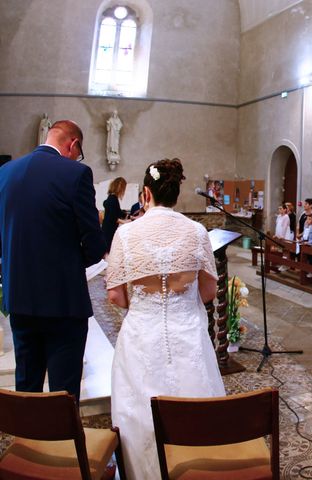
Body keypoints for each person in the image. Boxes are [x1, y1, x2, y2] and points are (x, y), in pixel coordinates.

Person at [107, 159, 224, 479]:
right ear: (175, 193)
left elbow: (115, 295)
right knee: (195, 402)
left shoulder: (126, 234)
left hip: (141, 335)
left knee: (140, 413)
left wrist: (146, 304)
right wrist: (181, 303)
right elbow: (209, 290)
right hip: (188, 332)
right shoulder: (197, 231)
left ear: (146, 193)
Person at [0, 120, 106, 402]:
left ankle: (28, 442)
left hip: (19, 298)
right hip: (63, 302)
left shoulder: (5, 173)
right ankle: (62, 445)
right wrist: (69, 264)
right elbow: (94, 245)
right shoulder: (76, 174)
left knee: (27, 384)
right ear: (73, 145)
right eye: (78, 151)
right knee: (64, 391)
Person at [102, 177, 128, 252]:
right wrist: (126, 222)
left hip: (107, 228)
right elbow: (113, 218)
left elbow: (118, 212)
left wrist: (129, 216)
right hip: (110, 230)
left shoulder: (111, 197)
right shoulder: (113, 199)